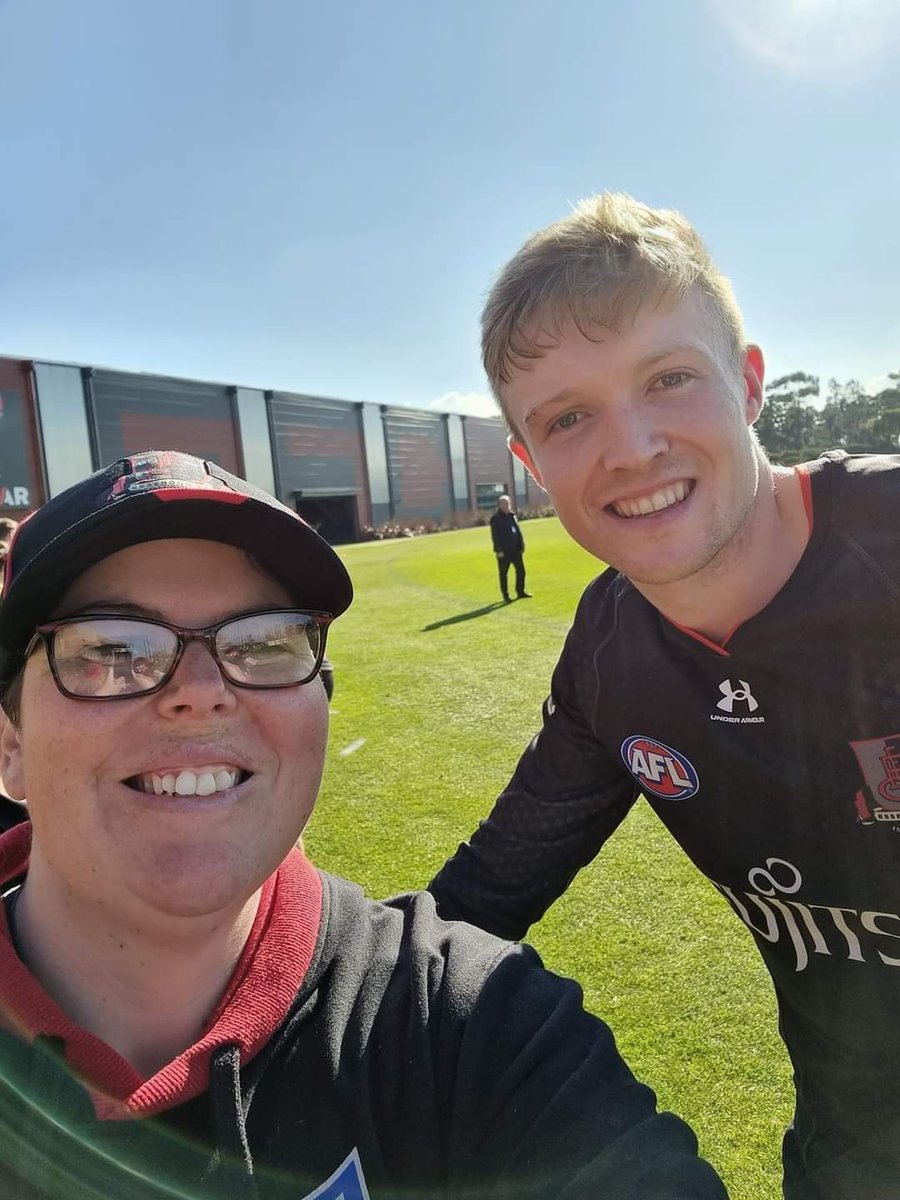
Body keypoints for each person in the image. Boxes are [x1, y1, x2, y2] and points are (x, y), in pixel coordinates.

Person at [0, 449, 726, 1200]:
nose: (202, 693)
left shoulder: (468, 1021)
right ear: (10, 744)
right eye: (113, 650)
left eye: (263, 642)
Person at [428, 192, 900, 1199]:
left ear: (751, 382)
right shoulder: (611, 655)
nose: (632, 447)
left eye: (669, 378)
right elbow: (486, 894)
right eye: (568, 417)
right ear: (531, 460)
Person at [489, 493, 530, 601]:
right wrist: (498, 550)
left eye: (508, 504)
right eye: (504, 504)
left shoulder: (512, 516)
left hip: (516, 550)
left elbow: (517, 531)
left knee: (521, 571)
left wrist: (521, 544)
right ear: (499, 505)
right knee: (504, 574)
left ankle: (520, 592)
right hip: (503, 551)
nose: (506, 506)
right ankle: (506, 595)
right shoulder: (495, 519)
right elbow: (495, 536)